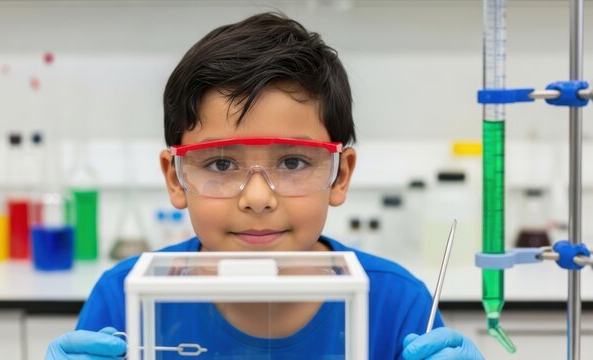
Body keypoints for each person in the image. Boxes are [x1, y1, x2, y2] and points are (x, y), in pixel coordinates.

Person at [46, 12, 484, 360]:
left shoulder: (398, 305)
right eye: (221, 163)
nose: (257, 198)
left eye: (293, 161)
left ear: (341, 174)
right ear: (175, 178)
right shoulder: (126, 300)